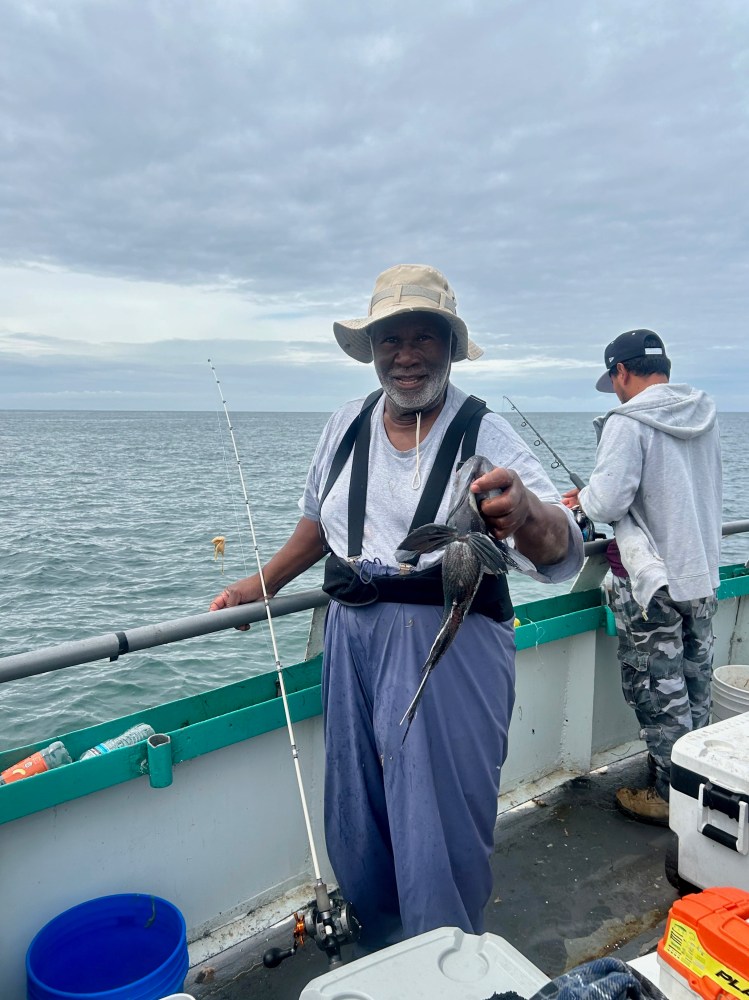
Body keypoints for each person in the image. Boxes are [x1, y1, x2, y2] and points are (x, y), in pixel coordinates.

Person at [210, 263, 584, 950]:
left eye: (423, 338)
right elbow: (315, 529)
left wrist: (525, 507)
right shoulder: (345, 424)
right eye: (390, 340)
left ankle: (443, 962)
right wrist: (254, 588)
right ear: (372, 350)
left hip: (450, 637)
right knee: (358, 811)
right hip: (350, 636)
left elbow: (561, 549)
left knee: (439, 819)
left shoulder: (483, 430)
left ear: (447, 346)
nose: (406, 355)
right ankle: (378, 953)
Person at [562, 329, 722, 826]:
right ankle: (700, 785)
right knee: (696, 683)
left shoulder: (626, 422)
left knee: (658, 687)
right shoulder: (704, 414)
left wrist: (580, 500)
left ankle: (670, 796)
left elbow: (609, 501)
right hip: (701, 569)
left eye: (614, 381)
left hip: (653, 580)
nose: (616, 391)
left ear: (622, 372)